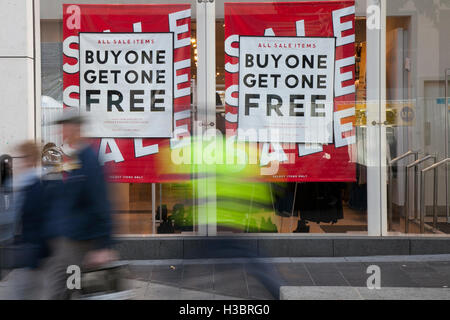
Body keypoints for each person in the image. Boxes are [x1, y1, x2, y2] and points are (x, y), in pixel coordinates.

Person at [44, 110, 116, 299]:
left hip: (79, 244)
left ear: (76, 129)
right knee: (63, 289)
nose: (61, 132)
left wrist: (103, 245)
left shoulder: (89, 161)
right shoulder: (77, 159)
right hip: (68, 241)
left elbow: (101, 203)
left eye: (64, 128)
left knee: (67, 289)